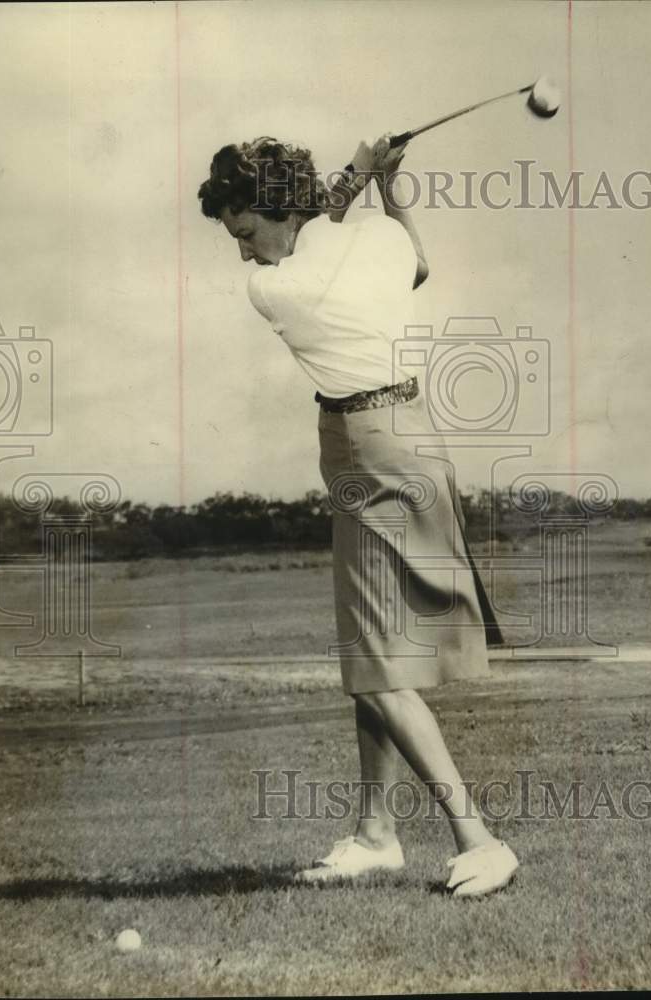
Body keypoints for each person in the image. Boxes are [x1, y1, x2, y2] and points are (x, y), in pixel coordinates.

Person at [197, 134, 518, 898]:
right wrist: (383, 186)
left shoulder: (277, 287)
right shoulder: (369, 235)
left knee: (373, 667)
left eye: (245, 233)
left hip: (370, 452)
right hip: (394, 440)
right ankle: (377, 834)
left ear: (276, 210)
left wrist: (359, 178)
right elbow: (414, 262)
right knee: (371, 651)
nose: (245, 256)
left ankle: (477, 837)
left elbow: (316, 239)